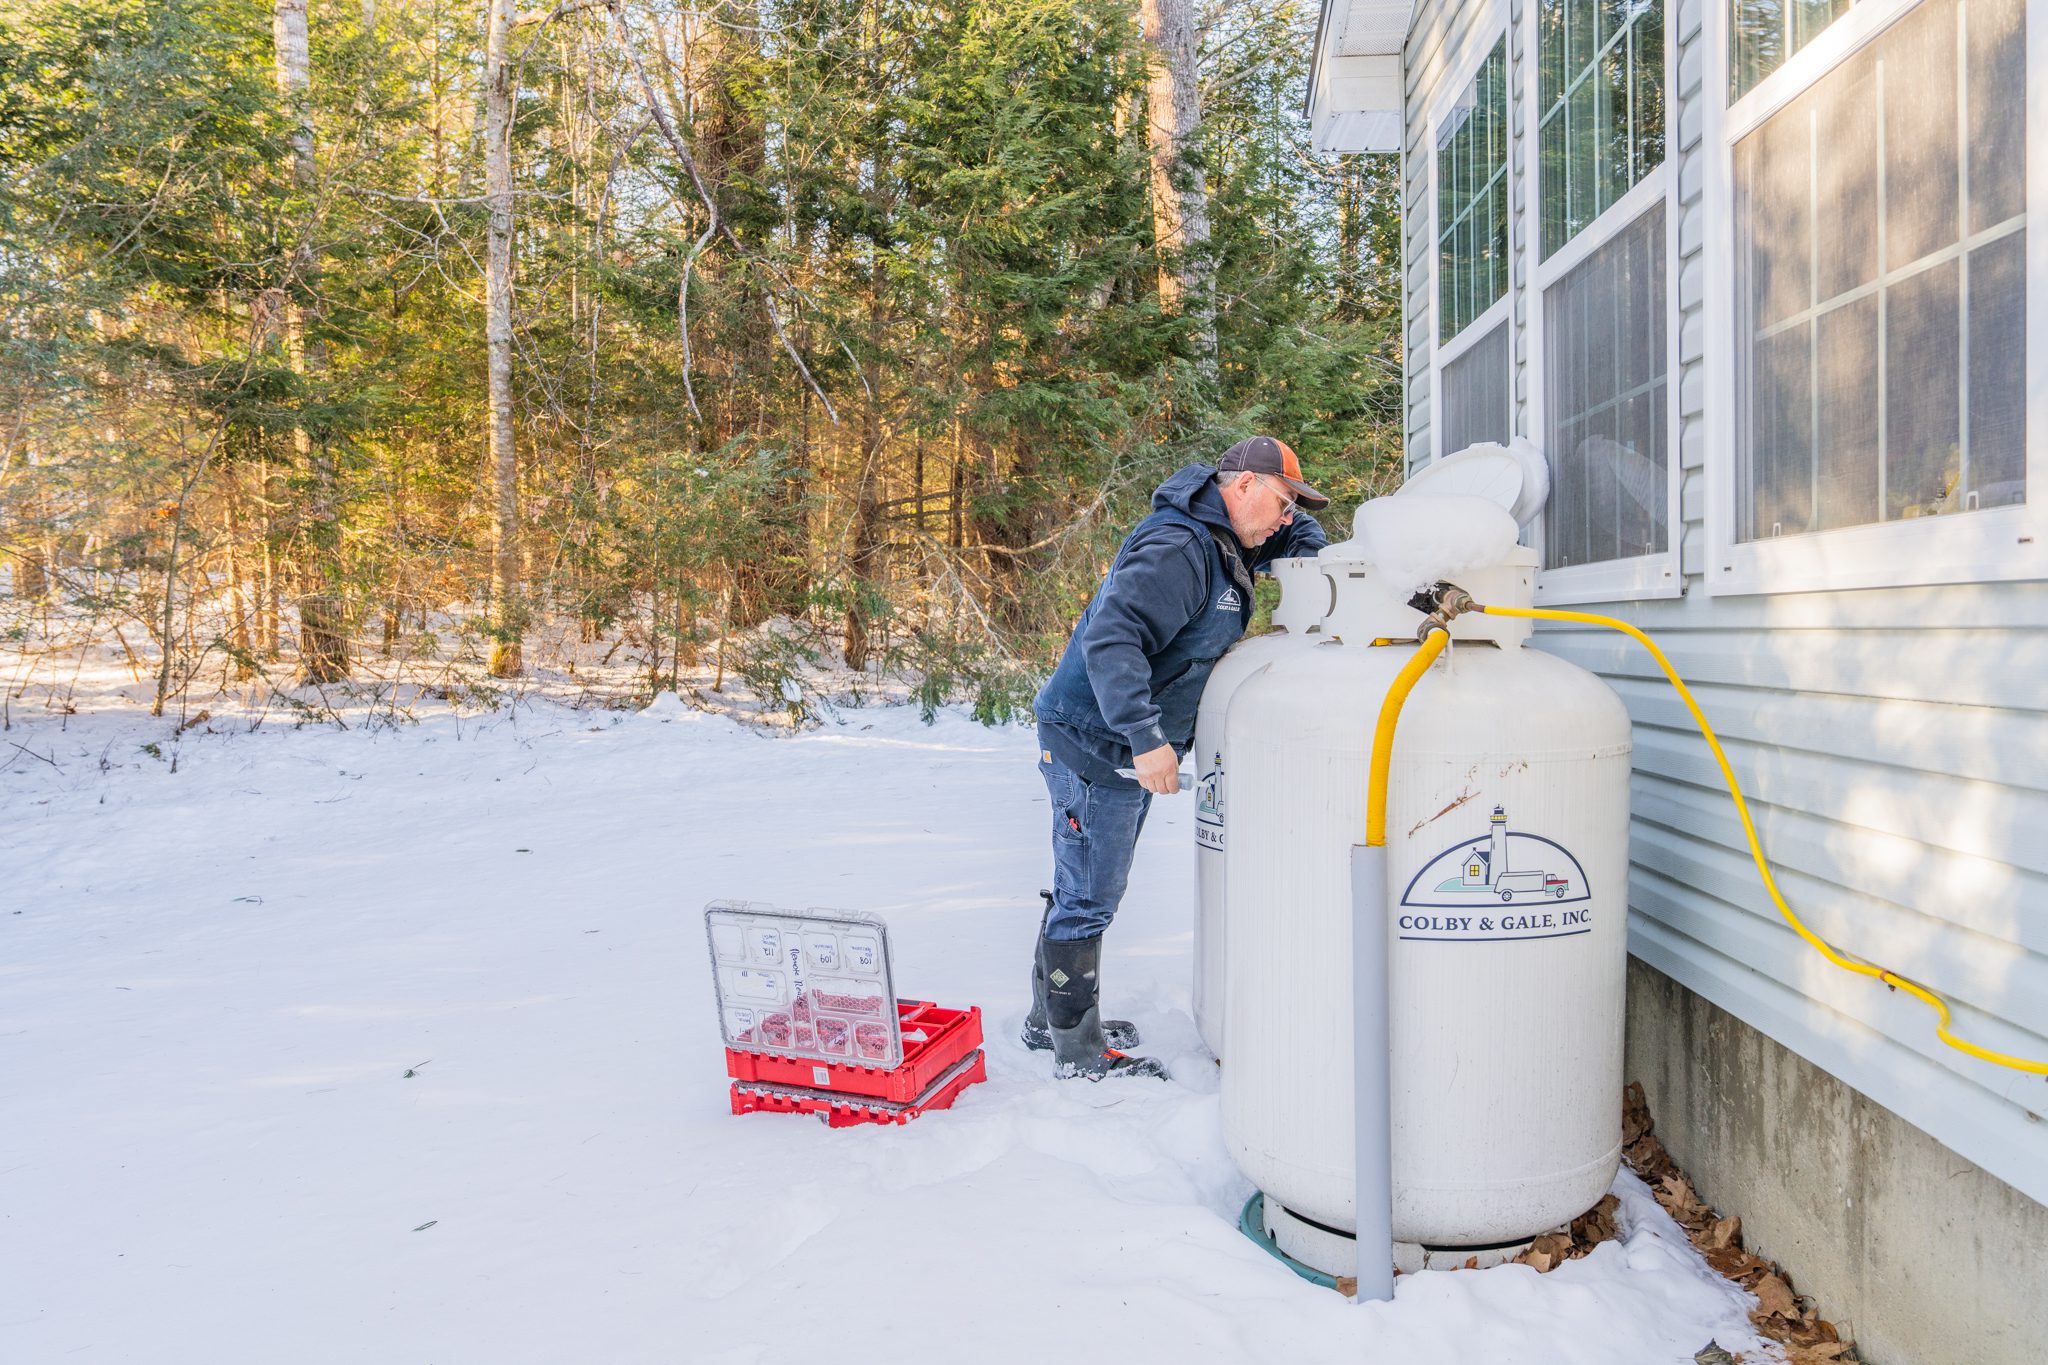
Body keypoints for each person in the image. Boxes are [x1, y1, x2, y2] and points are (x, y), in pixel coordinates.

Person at [1023, 436, 1330, 1079]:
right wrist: (1145, 738)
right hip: (1096, 742)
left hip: (1109, 741)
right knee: (1090, 897)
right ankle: (1078, 1052)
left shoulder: (1226, 538)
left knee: (1083, 886)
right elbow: (1113, 636)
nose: (1283, 519)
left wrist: (1316, 547)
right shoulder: (1181, 550)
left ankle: (1049, 1019)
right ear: (1242, 485)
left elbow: (1294, 535)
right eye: (1279, 502)